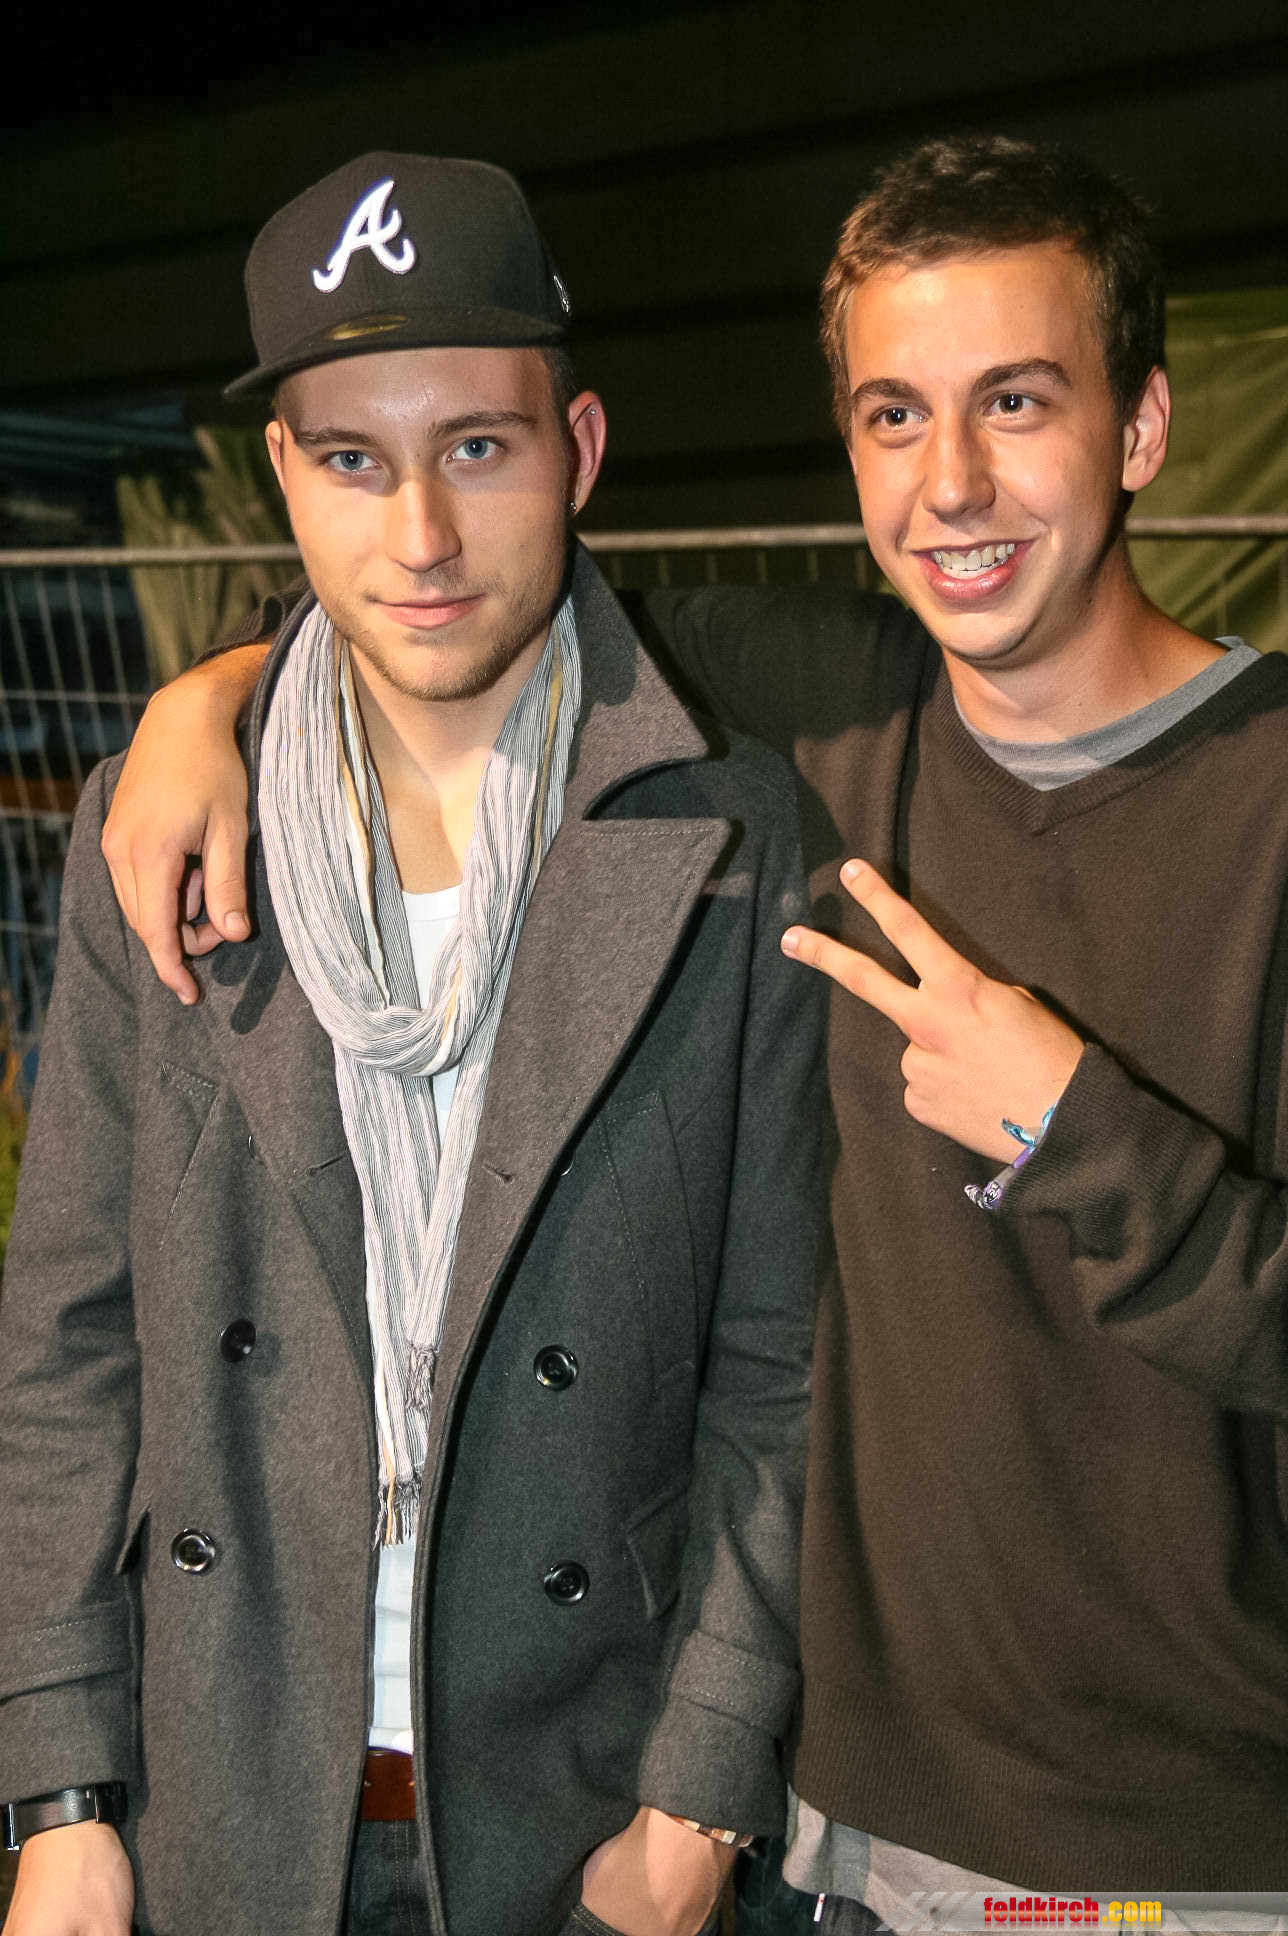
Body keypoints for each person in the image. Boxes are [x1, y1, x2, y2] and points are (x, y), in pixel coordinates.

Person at [94, 133, 1288, 1923]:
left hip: (1190, 1855)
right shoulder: (820, 710)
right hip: (855, 1838)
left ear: (1142, 428)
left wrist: (1084, 1136)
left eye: (1018, 402)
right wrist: (211, 697)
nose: (953, 484)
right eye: (895, 416)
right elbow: (455, 601)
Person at [0, 153, 827, 1936]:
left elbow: (783, 1364)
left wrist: (698, 1796)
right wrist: (60, 1793)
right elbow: (69, 1342)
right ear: (284, 477)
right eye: (355, 462)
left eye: (478, 447)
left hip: (582, 1812)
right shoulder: (161, 838)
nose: (423, 537)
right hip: (221, 1796)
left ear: (579, 450)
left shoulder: (735, 839)